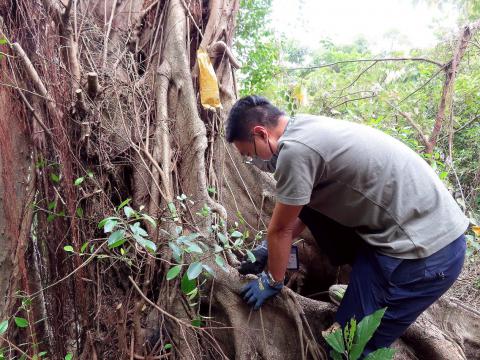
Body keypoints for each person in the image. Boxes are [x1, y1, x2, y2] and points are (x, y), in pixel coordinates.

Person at [226, 95, 469, 355]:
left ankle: (368, 307)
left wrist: (271, 280)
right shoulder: (305, 128)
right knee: (346, 330)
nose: (255, 163)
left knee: (349, 346)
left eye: (250, 155)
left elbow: (281, 229)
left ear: (261, 133)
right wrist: (268, 250)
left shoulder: (294, 151)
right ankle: (357, 299)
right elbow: (303, 209)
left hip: (424, 253)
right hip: (404, 234)